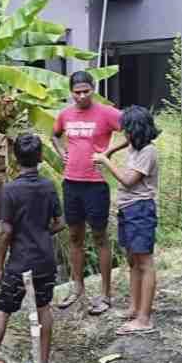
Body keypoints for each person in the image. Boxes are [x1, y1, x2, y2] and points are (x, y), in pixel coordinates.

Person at [0, 133, 64, 363]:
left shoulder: (10, 190)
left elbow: (6, 231)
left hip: (19, 263)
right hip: (44, 260)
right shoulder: (48, 187)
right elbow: (59, 223)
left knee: (2, 311)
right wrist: (41, 233)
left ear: (15, 159)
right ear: (41, 157)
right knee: (43, 309)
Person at [52, 70, 127, 315]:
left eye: (86, 91)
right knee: (75, 237)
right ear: (71, 92)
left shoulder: (106, 113)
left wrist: (109, 153)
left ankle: (105, 294)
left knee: (100, 238)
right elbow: (55, 134)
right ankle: (77, 288)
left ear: (93, 89)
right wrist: (60, 150)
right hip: (71, 182)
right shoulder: (65, 114)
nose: (82, 96)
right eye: (77, 92)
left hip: (96, 184)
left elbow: (133, 128)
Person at [92, 106, 160, 335]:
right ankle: (134, 307)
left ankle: (144, 318)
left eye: (126, 131)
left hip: (140, 210)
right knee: (132, 261)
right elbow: (125, 144)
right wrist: (111, 149)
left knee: (144, 263)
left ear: (136, 131)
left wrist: (105, 160)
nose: (124, 135)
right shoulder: (136, 145)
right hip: (128, 209)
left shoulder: (147, 152)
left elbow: (128, 180)